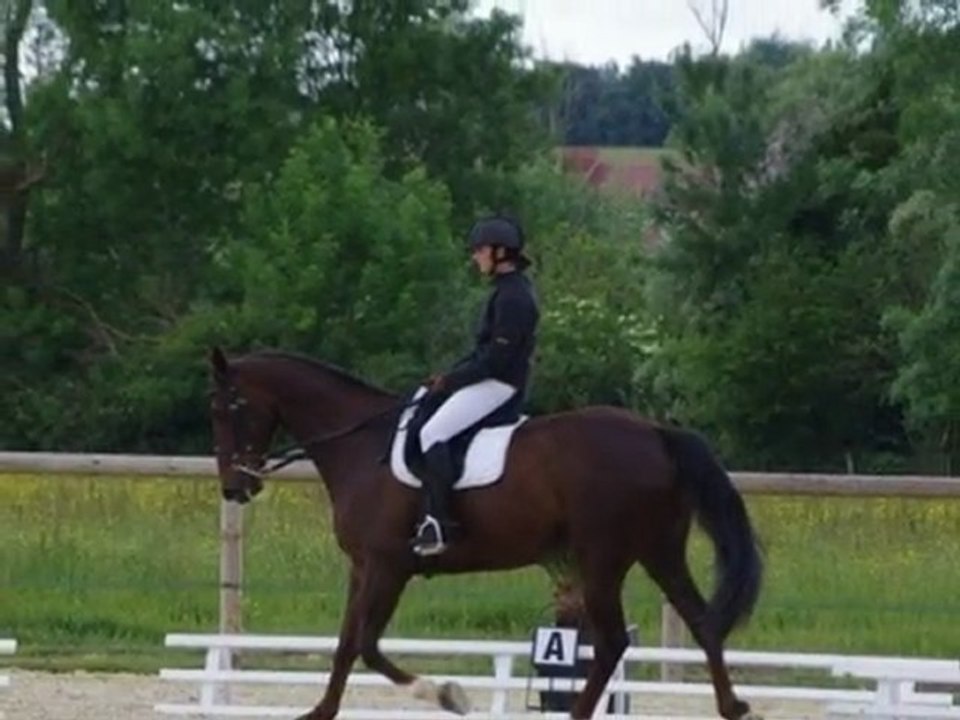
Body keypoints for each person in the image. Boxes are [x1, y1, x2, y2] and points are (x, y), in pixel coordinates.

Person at [411, 215, 540, 557]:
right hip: (492, 379)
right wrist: (447, 377)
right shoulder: (506, 291)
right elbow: (480, 353)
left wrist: (451, 381)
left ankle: (438, 522)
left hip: (500, 385)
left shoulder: (514, 298)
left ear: (500, 252)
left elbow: (496, 360)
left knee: (432, 433)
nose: (475, 257)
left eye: (480, 250)